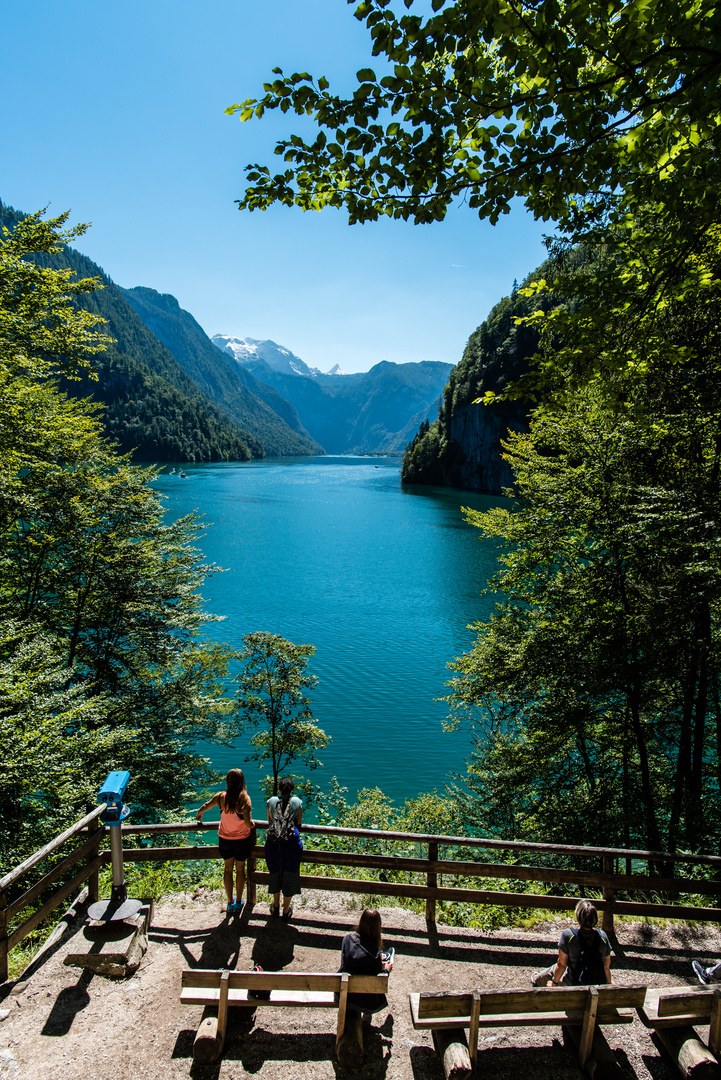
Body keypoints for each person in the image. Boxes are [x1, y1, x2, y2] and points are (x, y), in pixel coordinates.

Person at [196, 768, 254, 914]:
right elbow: (248, 824)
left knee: (228, 870)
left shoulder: (221, 797)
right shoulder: (244, 799)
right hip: (241, 840)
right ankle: (239, 902)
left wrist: (199, 814)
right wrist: (253, 824)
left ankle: (229, 902)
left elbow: (205, 806)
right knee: (240, 870)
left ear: (228, 781)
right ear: (242, 782)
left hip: (225, 839)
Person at [532, 900, 612, 986]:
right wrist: (609, 985)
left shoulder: (569, 935)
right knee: (555, 967)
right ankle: (537, 978)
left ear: (578, 916)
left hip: (574, 984)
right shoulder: (603, 937)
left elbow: (562, 965)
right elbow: (606, 967)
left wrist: (554, 983)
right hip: (597, 982)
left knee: (555, 968)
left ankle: (537, 979)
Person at [339, 908, 394, 1016]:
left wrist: (378, 963)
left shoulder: (347, 939)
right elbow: (378, 980)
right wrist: (386, 969)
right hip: (367, 1002)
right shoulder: (375, 955)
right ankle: (367, 1016)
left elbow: (347, 964)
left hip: (343, 994)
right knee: (371, 984)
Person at [265, 776, 303, 919]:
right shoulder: (297, 802)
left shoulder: (272, 801)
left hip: (274, 843)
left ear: (279, 790)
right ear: (292, 790)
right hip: (291, 844)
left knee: (275, 872)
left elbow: (269, 820)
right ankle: (286, 911)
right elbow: (299, 822)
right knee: (290, 874)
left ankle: (275, 907)